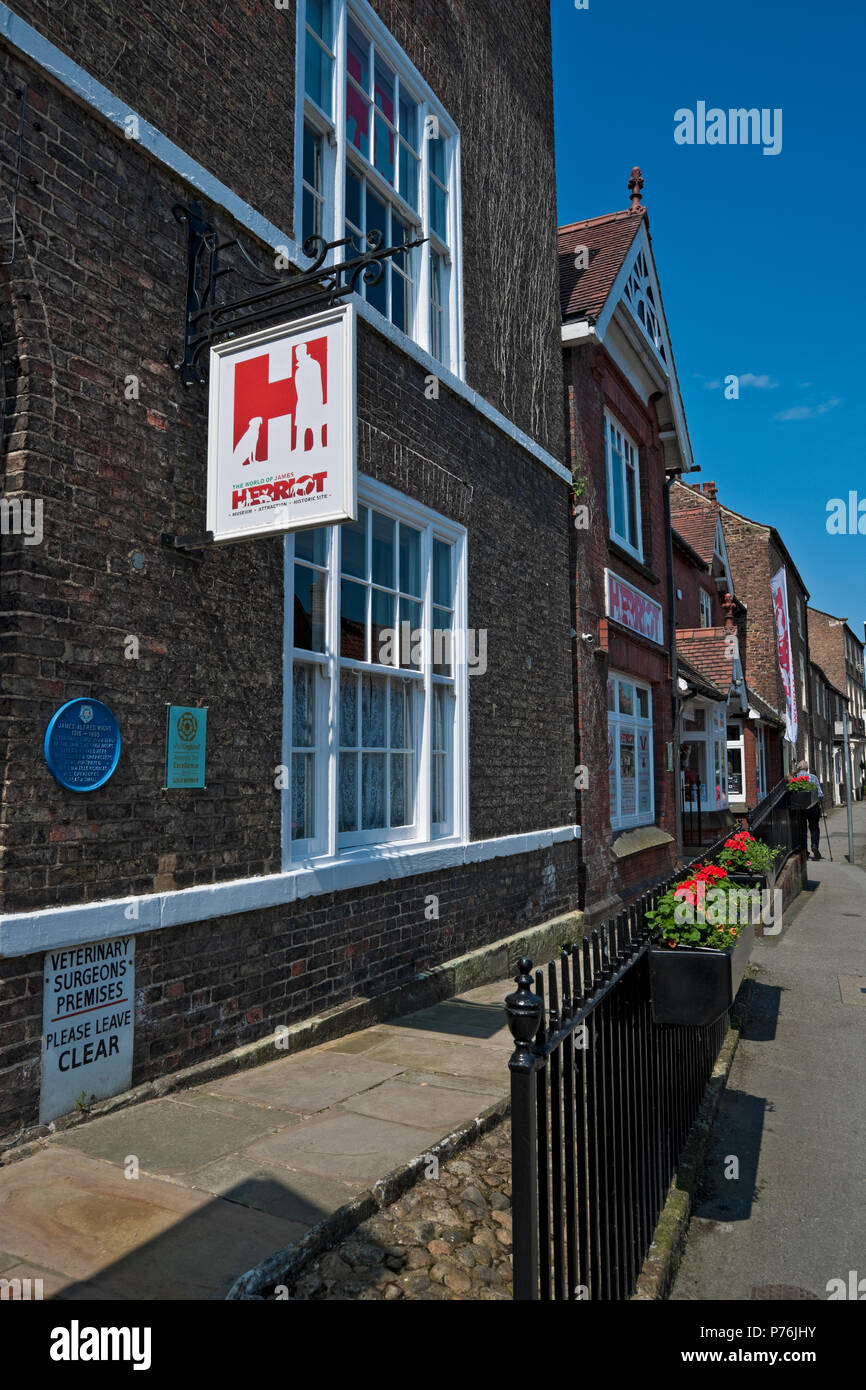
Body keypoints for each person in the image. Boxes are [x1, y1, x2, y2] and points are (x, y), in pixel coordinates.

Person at [796, 759, 824, 860]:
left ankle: (804, 852)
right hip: (813, 807)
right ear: (807, 768)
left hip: (800, 808)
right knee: (814, 827)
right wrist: (820, 803)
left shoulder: (795, 778)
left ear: (798, 769)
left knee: (802, 830)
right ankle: (814, 845)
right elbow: (820, 794)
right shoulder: (813, 777)